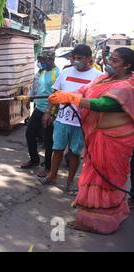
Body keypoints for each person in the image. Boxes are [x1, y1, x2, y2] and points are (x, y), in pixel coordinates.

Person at [48, 47, 134, 234]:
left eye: (116, 61)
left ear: (128, 65)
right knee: (92, 173)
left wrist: (72, 98)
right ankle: (95, 212)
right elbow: (86, 89)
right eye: (110, 59)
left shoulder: (128, 86)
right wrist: (68, 96)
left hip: (114, 141)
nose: (110, 63)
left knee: (106, 179)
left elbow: (105, 104)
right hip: (99, 137)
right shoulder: (105, 78)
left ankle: (98, 221)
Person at [40, 45, 102, 194]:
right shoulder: (66, 72)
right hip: (62, 119)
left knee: (74, 153)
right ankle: (52, 175)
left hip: (81, 123)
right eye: (73, 57)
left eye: (79, 58)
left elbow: (99, 101)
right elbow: (55, 93)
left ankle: (70, 181)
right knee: (57, 149)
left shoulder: (97, 76)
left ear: (89, 59)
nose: (75, 61)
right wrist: (48, 111)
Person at [21, 51, 61, 178]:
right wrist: (29, 99)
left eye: (44, 60)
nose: (41, 63)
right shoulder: (42, 72)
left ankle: (48, 167)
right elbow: (37, 86)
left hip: (50, 111)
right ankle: (34, 160)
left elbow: (58, 94)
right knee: (29, 133)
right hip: (39, 108)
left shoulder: (58, 73)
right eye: (41, 60)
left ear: (51, 60)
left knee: (48, 140)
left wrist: (52, 113)